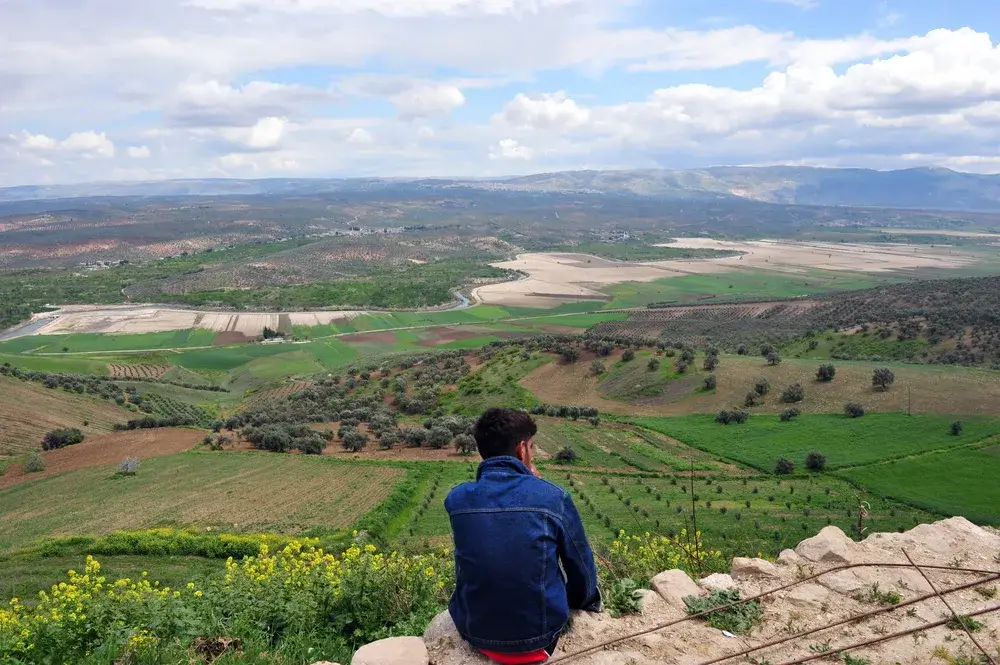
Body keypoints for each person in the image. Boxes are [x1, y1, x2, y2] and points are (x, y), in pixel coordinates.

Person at [445, 407, 601, 664]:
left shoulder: (457, 499)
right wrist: (583, 602)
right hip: (541, 638)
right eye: (532, 446)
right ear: (521, 450)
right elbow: (580, 566)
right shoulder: (553, 497)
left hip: (476, 634)